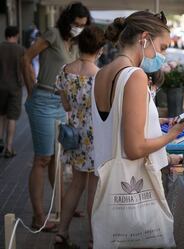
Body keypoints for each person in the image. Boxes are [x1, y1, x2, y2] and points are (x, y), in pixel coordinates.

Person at [92, 11, 184, 244]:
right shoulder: (135, 75)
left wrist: (157, 122)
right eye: (163, 47)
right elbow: (135, 148)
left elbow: (115, 123)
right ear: (144, 38)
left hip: (108, 187)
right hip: (133, 191)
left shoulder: (102, 73)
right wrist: (172, 135)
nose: (163, 56)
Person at [21, 2, 91, 232]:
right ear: (67, 21)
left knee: (56, 158)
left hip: (61, 103)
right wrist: (32, 87)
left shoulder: (76, 43)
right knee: (42, 158)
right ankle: (38, 216)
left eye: (83, 25)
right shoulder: (52, 34)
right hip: (43, 99)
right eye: (76, 24)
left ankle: (63, 206)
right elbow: (26, 57)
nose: (79, 28)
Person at [53, 26, 104, 249]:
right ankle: (94, 239)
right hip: (94, 137)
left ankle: (61, 232)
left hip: (74, 134)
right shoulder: (100, 76)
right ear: (100, 49)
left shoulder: (65, 71)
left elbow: (65, 105)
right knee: (94, 188)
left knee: (76, 184)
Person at [0, 26, 25, 157]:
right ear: (16, 35)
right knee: (12, 118)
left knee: (1, 115)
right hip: (15, 88)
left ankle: (0, 141)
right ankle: (9, 148)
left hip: (0, 87)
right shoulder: (21, 50)